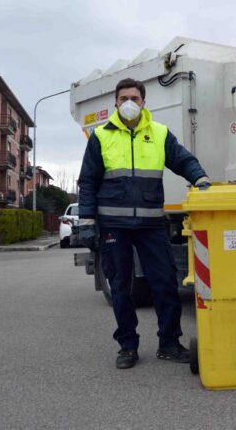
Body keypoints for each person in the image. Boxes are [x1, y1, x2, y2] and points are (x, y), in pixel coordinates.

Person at [77, 77, 210, 369]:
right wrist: (86, 221)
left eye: (134, 98)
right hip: (114, 225)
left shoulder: (160, 134)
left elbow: (183, 160)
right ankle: (127, 345)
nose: (128, 103)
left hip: (151, 225)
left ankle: (169, 343)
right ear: (115, 102)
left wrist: (199, 178)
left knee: (164, 283)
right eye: (123, 98)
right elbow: (87, 181)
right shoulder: (101, 136)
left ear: (143, 102)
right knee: (121, 287)